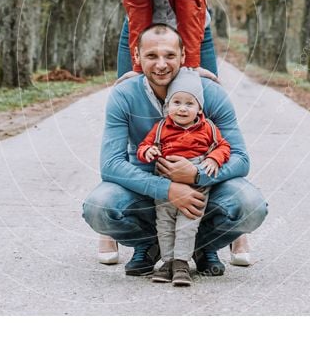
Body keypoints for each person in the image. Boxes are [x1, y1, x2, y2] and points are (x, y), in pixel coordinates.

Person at [83, 24, 267, 278]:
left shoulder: (210, 93)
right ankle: (149, 244)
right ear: (136, 57)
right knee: (99, 206)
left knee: (250, 204)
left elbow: (240, 158)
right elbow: (110, 164)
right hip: (146, 192)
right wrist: (168, 189)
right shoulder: (124, 95)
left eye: (170, 55)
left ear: (183, 56)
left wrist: (197, 174)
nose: (161, 64)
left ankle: (203, 246)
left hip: (204, 191)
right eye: (151, 56)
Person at [137, 68, 231, 286]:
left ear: (199, 108)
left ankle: (181, 264)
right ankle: (167, 262)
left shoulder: (207, 128)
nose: (182, 108)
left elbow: (224, 146)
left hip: (196, 180)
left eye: (190, 103)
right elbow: (144, 146)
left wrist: (215, 158)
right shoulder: (160, 128)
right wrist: (148, 152)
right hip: (165, 181)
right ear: (167, 105)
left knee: (187, 225)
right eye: (176, 102)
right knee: (165, 223)